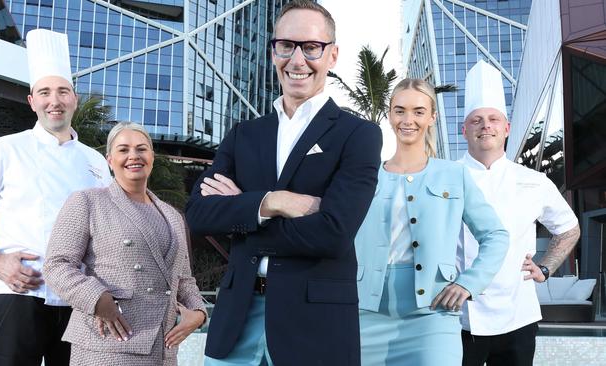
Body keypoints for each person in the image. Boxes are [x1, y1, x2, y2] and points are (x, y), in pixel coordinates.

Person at [185, 1, 382, 364]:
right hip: (235, 322)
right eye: (286, 46)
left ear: (332, 55)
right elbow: (198, 213)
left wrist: (243, 215)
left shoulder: (359, 135)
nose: (297, 60)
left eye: (311, 47)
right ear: (272, 50)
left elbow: (334, 233)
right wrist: (273, 202)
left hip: (314, 328)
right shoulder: (244, 134)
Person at [0, 29, 111, 366]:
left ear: (74, 98)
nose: (54, 101)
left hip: (78, 300)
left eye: (62, 91)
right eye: (44, 92)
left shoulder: (96, 161)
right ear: (32, 101)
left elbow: (109, 232)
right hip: (14, 294)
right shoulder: (5, 149)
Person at [354, 78, 509, 365]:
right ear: (389, 115)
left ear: (432, 117)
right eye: (399, 111)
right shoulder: (364, 177)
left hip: (433, 314)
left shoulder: (454, 174)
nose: (408, 120)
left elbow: (496, 235)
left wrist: (468, 283)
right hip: (366, 312)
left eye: (418, 111)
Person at [43, 122, 206, 365]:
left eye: (141, 149)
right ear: (109, 160)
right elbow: (56, 266)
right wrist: (97, 299)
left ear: (152, 157)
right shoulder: (87, 202)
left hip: (163, 348)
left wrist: (199, 314)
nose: (134, 156)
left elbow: (183, 278)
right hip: (107, 344)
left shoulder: (172, 215)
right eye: (123, 150)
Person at [458, 60, 580, 366]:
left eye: (493, 119)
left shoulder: (534, 181)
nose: (485, 126)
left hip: (518, 317)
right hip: (459, 319)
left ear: (506, 128)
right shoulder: (444, 177)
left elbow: (568, 228)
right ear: (464, 130)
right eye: (476, 120)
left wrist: (546, 267)